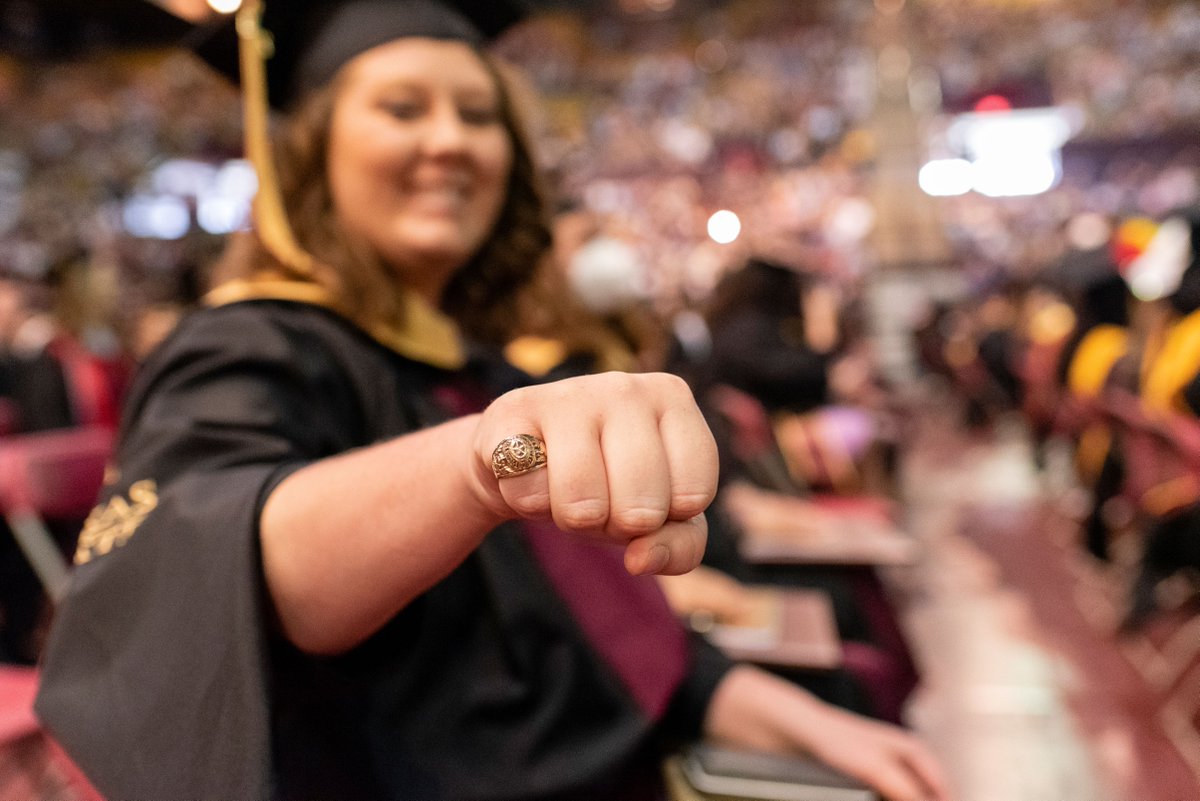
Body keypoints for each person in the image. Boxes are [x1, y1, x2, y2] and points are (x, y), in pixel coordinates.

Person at [35, 3, 950, 800]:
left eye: (480, 115)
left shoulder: (477, 363)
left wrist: (804, 724)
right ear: (310, 149)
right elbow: (233, 549)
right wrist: (480, 461)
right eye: (402, 108)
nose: (450, 140)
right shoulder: (248, 346)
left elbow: (600, 631)